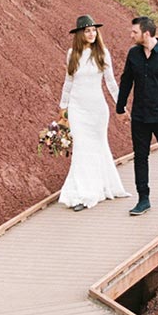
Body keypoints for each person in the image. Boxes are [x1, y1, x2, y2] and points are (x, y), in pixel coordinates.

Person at [57, 15, 132, 211]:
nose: (91, 33)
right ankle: (82, 193)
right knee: (81, 148)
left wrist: (121, 106)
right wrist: (63, 107)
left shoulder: (102, 53)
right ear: (80, 33)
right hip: (77, 108)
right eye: (87, 30)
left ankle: (97, 188)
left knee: (97, 147)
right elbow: (69, 82)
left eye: (93, 30)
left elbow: (111, 82)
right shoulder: (72, 53)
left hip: (97, 109)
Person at [115, 15, 158, 215]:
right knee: (140, 157)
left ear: (146, 33)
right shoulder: (133, 54)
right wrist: (120, 108)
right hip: (140, 116)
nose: (131, 35)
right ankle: (143, 198)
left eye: (134, 32)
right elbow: (126, 81)